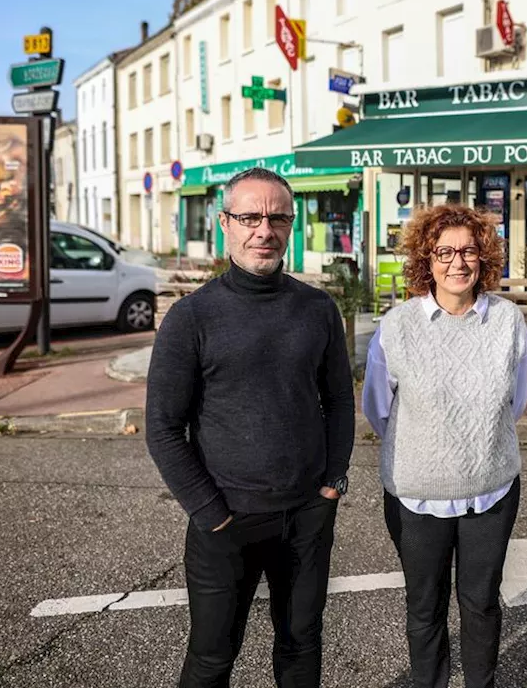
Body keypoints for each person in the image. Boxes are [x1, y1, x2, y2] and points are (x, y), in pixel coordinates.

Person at [146, 167, 354, 688]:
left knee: (301, 646)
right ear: (225, 224)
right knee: (213, 658)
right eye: (250, 216)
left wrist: (331, 485)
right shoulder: (191, 318)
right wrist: (212, 514)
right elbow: (163, 428)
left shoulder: (318, 309)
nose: (264, 229)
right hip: (226, 523)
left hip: (305, 517)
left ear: (291, 224)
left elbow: (339, 401)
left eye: (278, 217)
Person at [362, 203, 527, 688]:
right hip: (416, 493)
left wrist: (475, 438)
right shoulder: (397, 326)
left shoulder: (508, 321)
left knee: (480, 602)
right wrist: (431, 439)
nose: (458, 263)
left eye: (469, 251)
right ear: (425, 259)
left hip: (491, 488)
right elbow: (379, 409)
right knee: (425, 605)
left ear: (484, 257)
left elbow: (513, 400)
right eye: (444, 252)